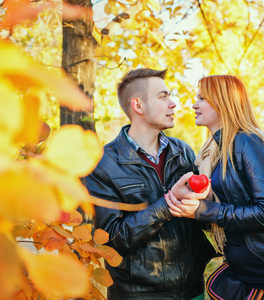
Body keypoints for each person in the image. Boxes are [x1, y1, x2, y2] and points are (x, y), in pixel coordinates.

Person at [165, 75, 264, 300]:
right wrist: (197, 204)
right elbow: (222, 221)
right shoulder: (213, 154)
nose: (194, 104)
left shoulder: (249, 143)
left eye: (202, 98)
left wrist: (203, 210)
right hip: (245, 270)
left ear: (223, 103)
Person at [84, 68, 216, 300]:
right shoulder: (101, 163)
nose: (173, 104)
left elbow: (199, 218)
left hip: (193, 290)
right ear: (138, 106)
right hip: (139, 295)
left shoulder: (182, 151)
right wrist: (167, 204)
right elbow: (113, 241)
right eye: (163, 97)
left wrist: (204, 201)